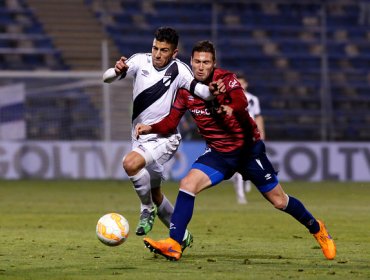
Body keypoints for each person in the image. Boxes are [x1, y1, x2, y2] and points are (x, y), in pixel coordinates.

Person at [135, 40, 336, 261]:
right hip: (218, 154)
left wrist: (227, 104)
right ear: (190, 62)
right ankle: (174, 243)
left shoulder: (225, 79)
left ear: (213, 64)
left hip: (248, 152)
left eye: (206, 62)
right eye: (197, 62)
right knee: (187, 185)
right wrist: (150, 128)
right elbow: (171, 121)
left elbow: (240, 102)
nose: (201, 66)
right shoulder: (185, 89)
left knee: (279, 201)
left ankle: (317, 228)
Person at [102, 27, 222, 250]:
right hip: (140, 137)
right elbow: (107, 78)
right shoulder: (140, 61)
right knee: (155, 192)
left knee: (130, 163)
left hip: (164, 137)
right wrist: (116, 69)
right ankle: (182, 236)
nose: (157, 54)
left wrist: (213, 90)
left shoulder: (181, 71)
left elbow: (203, 93)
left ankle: (145, 209)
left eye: (164, 50)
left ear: (174, 53)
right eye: (155, 48)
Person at [231, 74, 265, 204]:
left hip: (251, 133)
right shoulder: (229, 98)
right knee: (240, 163)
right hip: (235, 134)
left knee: (252, 160)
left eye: (242, 83)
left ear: (246, 84)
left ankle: (247, 179)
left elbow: (258, 116)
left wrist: (261, 133)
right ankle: (240, 195)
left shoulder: (253, 99)